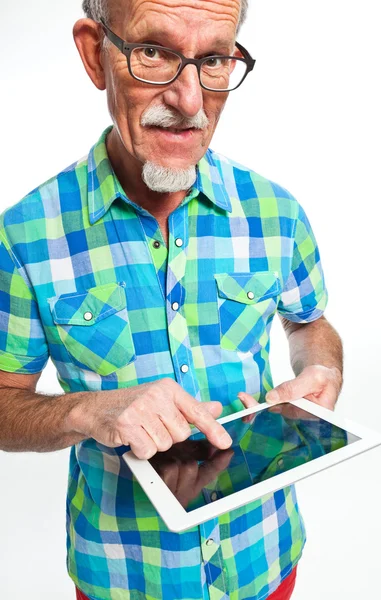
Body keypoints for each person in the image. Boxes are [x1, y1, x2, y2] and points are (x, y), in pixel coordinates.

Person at [0, 0, 343, 598]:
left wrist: (320, 365)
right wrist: (86, 412)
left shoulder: (276, 212)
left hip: (264, 557)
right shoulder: (24, 237)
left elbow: (309, 322)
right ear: (94, 52)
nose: (190, 101)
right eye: (153, 51)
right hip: (122, 577)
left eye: (213, 59)